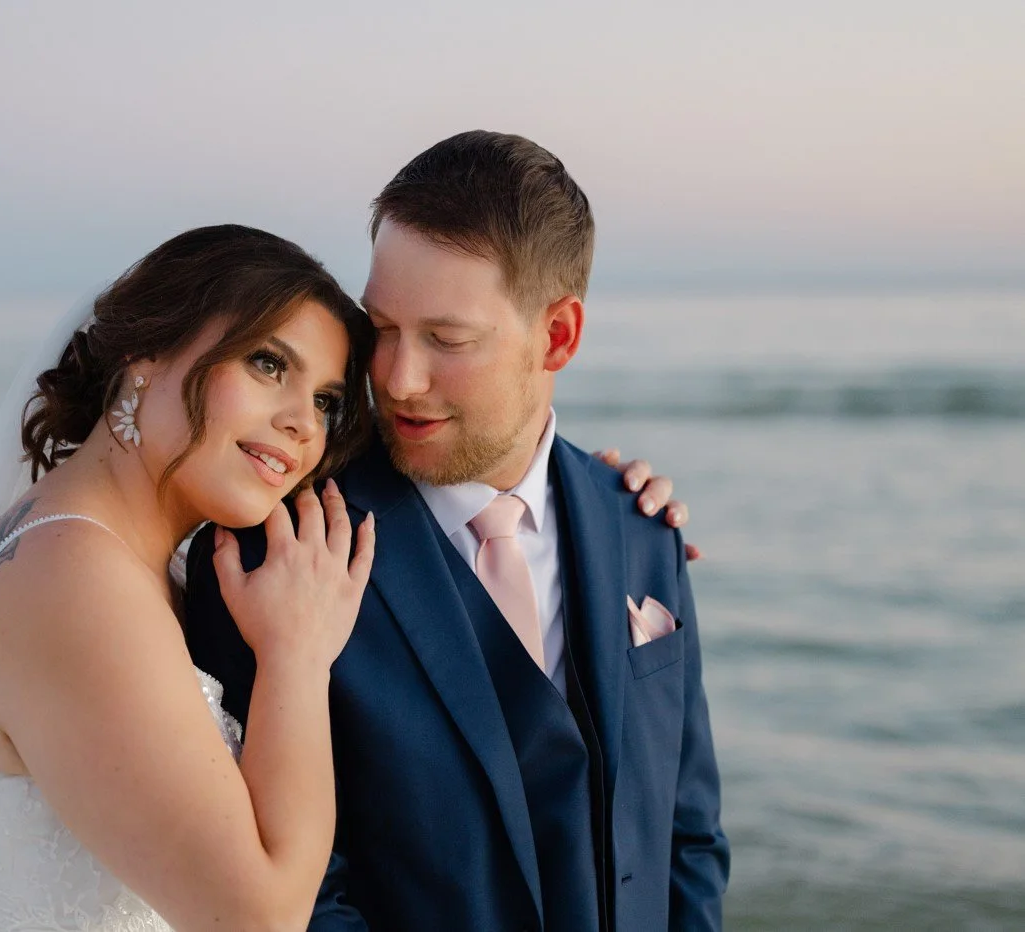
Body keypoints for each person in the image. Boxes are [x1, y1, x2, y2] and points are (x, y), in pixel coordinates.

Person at [185, 132, 730, 931]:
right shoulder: (274, 552)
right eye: (382, 328)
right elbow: (294, 900)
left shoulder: (640, 525)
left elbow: (689, 837)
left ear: (558, 338)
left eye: (446, 339)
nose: (398, 380)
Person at [0, 225, 380, 931]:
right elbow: (261, 918)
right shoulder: (75, 580)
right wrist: (297, 655)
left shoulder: (74, 544)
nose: (303, 422)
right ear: (147, 355)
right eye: (268, 363)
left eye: (328, 401)